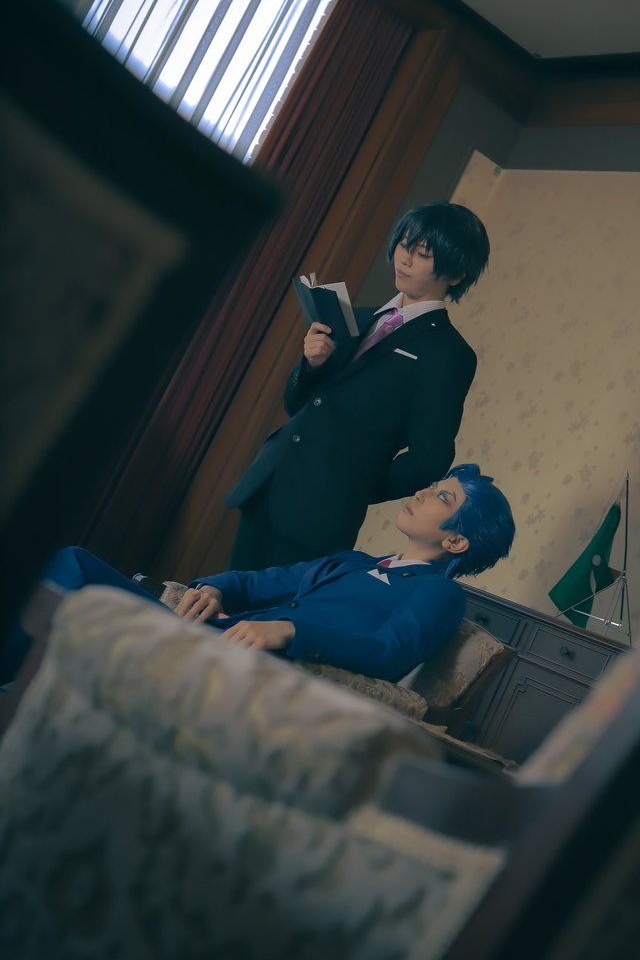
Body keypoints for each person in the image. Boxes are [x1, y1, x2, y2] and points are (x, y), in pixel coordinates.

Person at [1, 465, 514, 686]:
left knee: (72, 577)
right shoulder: (354, 560)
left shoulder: (440, 594)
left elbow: (389, 653)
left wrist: (290, 630)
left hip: (253, 663)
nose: (422, 492)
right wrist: (214, 587)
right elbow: (256, 581)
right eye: (432, 485)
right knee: (73, 563)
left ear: (455, 541)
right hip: (209, 630)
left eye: (442, 496)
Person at [226, 200, 491, 570]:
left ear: (457, 273)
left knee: (271, 605)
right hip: (268, 481)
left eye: (422, 254)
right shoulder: (358, 317)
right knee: (222, 594)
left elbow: (428, 460)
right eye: (404, 244)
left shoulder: (448, 353)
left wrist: (351, 484)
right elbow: (297, 403)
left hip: (318, 515)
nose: (404, 259)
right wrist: (311, 365)